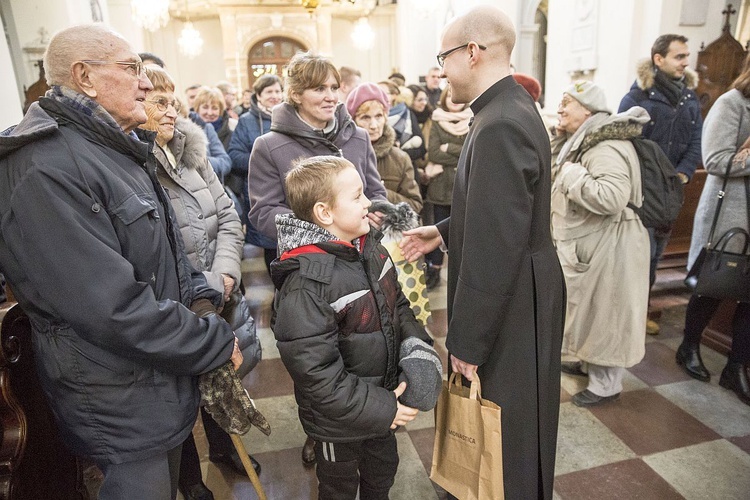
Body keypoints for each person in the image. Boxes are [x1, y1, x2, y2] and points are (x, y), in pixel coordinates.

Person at [0, 24, 240, 499]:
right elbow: (109, 306)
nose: (146, 83)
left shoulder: (111, 149)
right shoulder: (45, 167)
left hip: (151, 380)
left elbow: (169, 253)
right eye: (131, 69)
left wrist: (204, 302)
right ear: (84, 77)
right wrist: (211, 340)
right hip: (114, 394)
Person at [399, 7, 565, 499]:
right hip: (525, 282)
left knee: (508, 424)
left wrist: (467, 345)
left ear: (472, 52)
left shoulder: (498, 123)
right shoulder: (509, 106)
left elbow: (496, 248)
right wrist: (444, 230)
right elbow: (504, 209)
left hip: (513, 298)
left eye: (443, 57)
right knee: (516, 416)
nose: (440, 71)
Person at [248, 51, 387, 465]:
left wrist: (374, 208)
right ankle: (320, 428)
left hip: (360, 259)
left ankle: (375, 416)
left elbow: (375, 190)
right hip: (308, 268)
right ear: (294, 94)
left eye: (334, 87)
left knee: (366, 344)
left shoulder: (356, 137)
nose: (330, 96)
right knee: (317, 354)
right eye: (318, 88)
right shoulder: (269, 146)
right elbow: (261, 212)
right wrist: (321, 228)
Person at [270, 155, 435, 500]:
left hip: (382, 399)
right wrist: (383, 408)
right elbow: (316, 374)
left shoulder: (372, 248)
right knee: (339, 488)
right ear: (325, 213)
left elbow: (398, 305)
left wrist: (417, 347)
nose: (368, 203)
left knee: (382, 475)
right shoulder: (306, 284)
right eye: (357, 196)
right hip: (339, 424)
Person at [139, 64, 259, 500]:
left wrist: (225, 273)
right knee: (180, 388)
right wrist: (204, 285)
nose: (170, 111)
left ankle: (225, 448)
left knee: (223, 373)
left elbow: (229, 215)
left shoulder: (193, 152)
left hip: (218, 286)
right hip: (175, 297)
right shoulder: (135, 164)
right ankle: (190, 478)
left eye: (173, 101)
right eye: (158, 101)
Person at [551, 81, 650, 408]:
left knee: (608, 314)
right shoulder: (584, 141)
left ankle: (607, 383)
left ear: (588, 111)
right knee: (590, 313)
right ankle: (588, 361)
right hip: (595, 244)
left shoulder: (606, 146)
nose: (561, 108)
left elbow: (611, 197)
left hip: (614, 246)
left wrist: (569, 175)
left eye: (568, 103)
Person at [676, 61, 750, 406]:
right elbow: (718, 161)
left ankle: (736, 367)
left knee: (749, 297)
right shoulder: (732, 102)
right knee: (713, 285)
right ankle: (688, 346)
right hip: (730, 214)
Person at [618, 34, 702, 335]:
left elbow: (695, 141)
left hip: (672, 191)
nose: (685, 62)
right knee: (635, 257)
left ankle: (640, 312)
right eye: (679, 56)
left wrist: (683, 173)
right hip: (642, 192)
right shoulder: (638, 96)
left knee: (654, 258)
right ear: (659, 59)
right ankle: (625, 317)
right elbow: (623, 142)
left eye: (686, 55)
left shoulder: (689, 97)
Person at [228, 74, 284, 271]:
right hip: (261, 190)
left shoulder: (290, 117)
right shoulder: (246, 121)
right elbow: (234, 155)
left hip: (289, 190)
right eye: (269, 91)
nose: (275, 96)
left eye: (278, 91)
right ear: (258, 96)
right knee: (271, 245)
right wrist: (263, 163)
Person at [423, 86, 472, 289]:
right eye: (449, 96)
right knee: (438, 230)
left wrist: (449, 148)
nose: (454, 100)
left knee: (463, 233)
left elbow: (470, 151)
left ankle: (462, 275)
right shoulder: (437, 119)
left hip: (464, 185)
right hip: (441, 187)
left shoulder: (472, 118)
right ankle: (434, 270)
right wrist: (457, 154)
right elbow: (433, 152)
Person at [347, 82, 423, 212]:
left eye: (378, 116)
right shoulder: (343, 156)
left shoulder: (400, 158)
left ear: (386, 117)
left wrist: (380, 193)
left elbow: (415, 205)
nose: (374, 125)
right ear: (353, 121)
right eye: (365, 117)